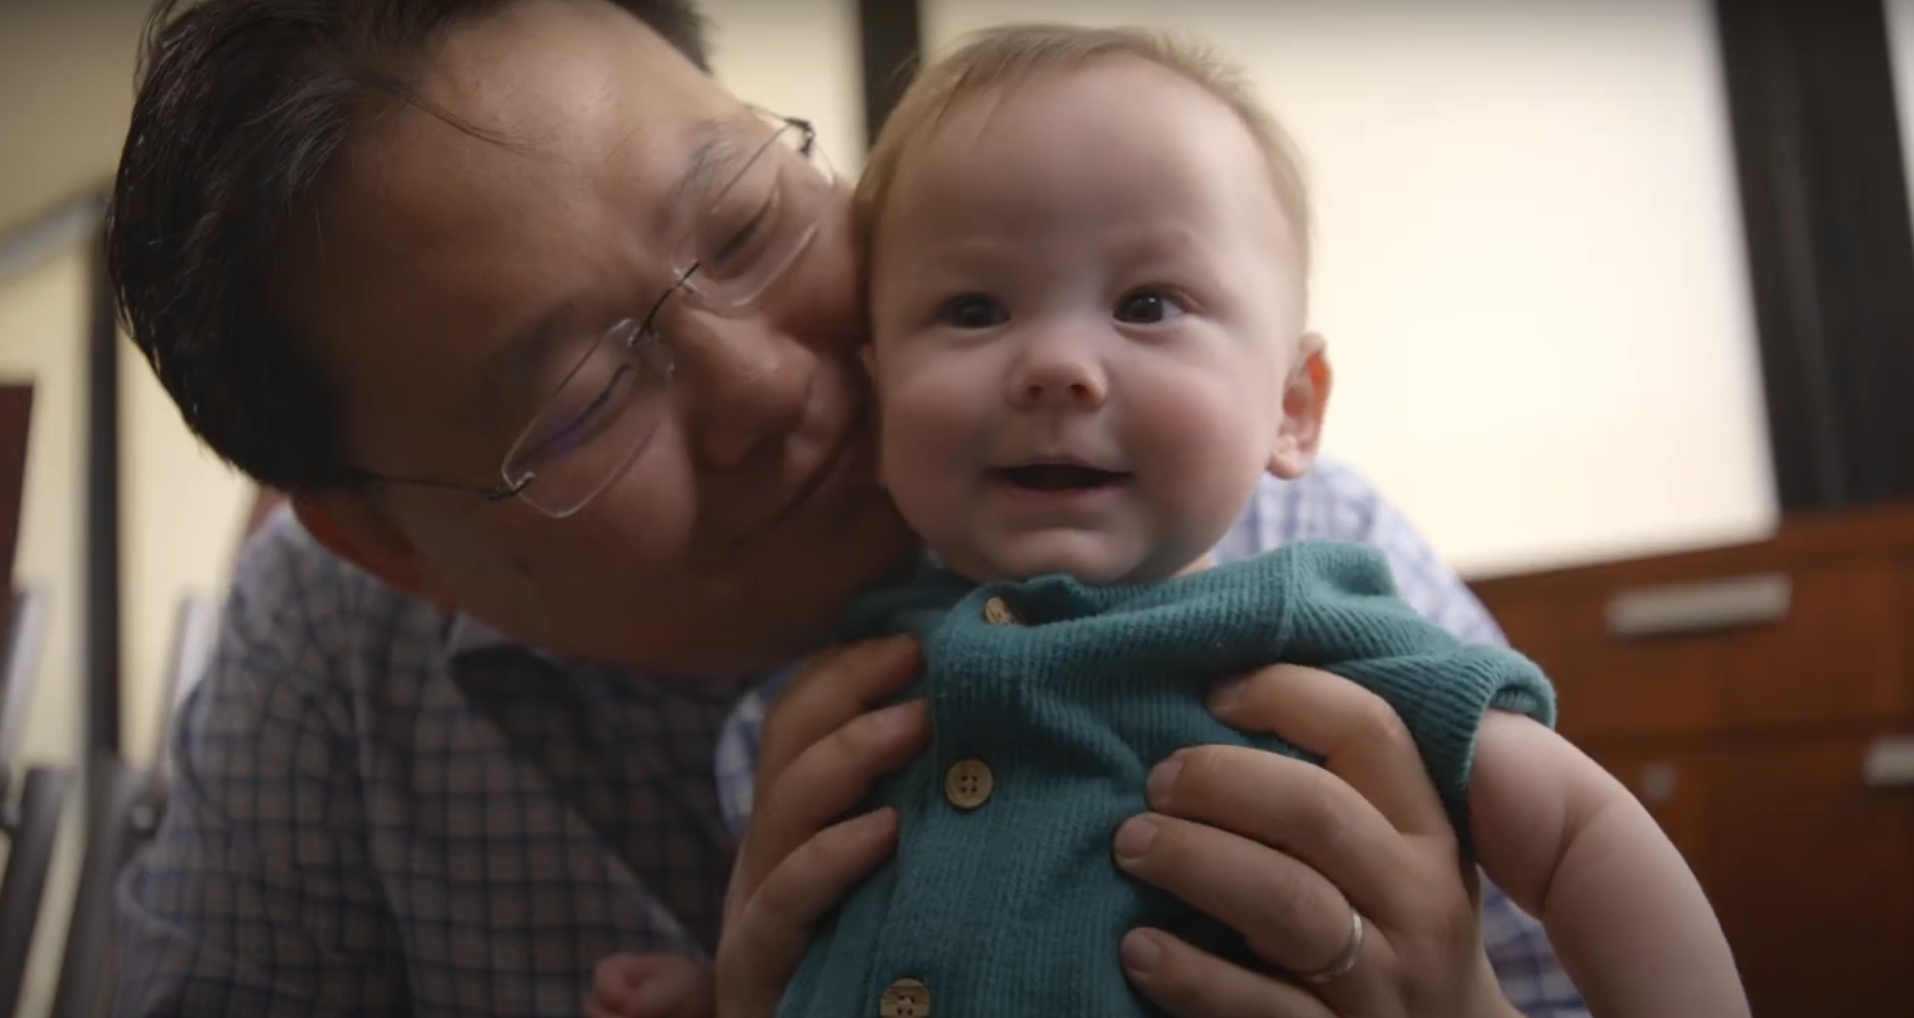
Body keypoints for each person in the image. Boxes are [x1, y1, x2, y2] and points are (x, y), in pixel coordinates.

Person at [104, 1, 1591, 1016]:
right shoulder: (326, 641)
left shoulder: (1279, 556)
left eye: (748, 222)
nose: (766, 384)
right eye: (579, 400)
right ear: (391, 545)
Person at [647, 23, 1741, 1018]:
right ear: (878, 397)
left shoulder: (1313, 640)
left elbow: (1583, 832)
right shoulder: (847, 691)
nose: (1060, 366)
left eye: (1148, 304)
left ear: (1291, 407)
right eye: (974, 309)